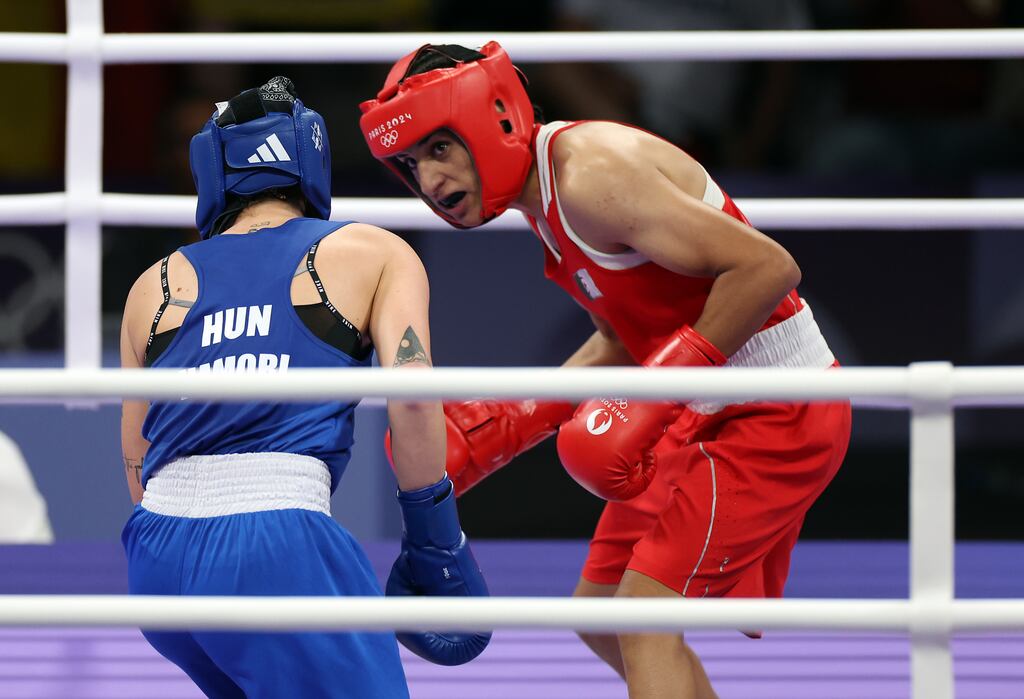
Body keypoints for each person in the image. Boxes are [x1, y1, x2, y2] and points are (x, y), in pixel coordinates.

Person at [360, 43, 851, 699]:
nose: (429, 181)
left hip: (774, 406)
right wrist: (515, 422)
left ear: (493, 118)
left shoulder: (592, 175)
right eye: (411, 164)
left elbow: (767, 268)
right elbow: (625, 336)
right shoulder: (543, 198)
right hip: (701, 405)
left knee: (642, 617)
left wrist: (660, 392)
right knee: (600, 616)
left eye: (439, 149)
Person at [119, 76, 490, 699]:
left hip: (157, 560)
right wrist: (435, 540)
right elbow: (416, 396)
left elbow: (138, 459)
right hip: (273, 546)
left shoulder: (153, 285)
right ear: (310, 158)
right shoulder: (371, 251)